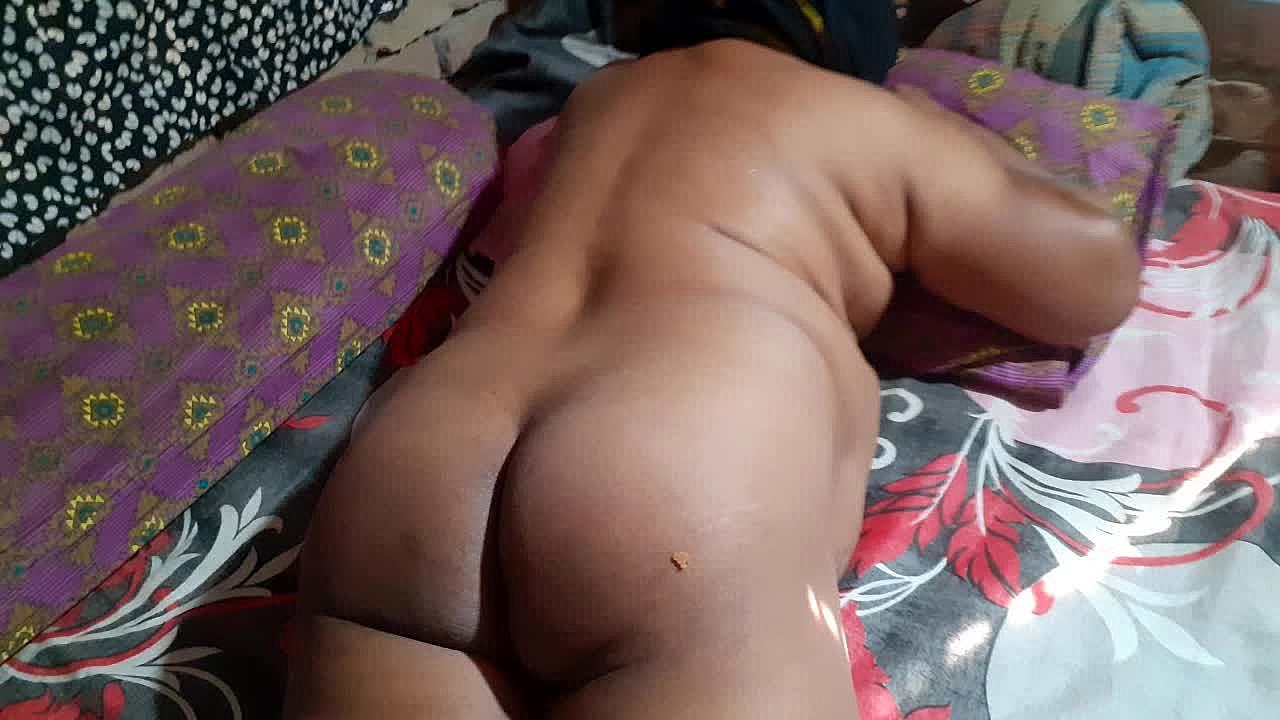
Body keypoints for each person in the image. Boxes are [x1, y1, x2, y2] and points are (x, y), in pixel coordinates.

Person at [284, 39, 1139, 719]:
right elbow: (1091, 283)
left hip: (420, 454)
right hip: (675, 463)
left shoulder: (598, 101)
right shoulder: (863, 115)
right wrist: (946, 130)